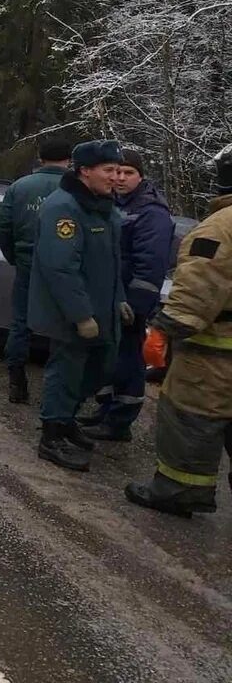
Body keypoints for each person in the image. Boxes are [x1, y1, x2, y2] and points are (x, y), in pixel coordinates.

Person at [126, 144, 232, 516]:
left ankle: (177, 491)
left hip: (213, 356)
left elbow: (199, 288)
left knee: (190, 418)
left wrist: (164, 329)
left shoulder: (221, 227)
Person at [28, 139, 127, 471]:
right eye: (108, 170)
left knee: (101, 367)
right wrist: (81, 315)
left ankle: (66, 419)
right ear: (85, 171)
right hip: (74, 314)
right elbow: (60, 268)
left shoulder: (104, 206)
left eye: (118, 170)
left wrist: (121, 300)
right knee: (67, 371)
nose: (116, 177)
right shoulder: (64, 207)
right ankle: (51, 435)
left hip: (103, 309)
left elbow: (110, 262)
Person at [80, 148, 173, 440]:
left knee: (128, 361)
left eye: (128, 172)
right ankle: (106, 409)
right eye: (116, 171)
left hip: (131, 302)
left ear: (140, 176)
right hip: (111, 298)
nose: (120, 178)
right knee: (110, 359)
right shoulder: (115, 204)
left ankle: (120, 421)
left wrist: (136, 305)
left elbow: (150, 265)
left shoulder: (151, 212)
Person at [0, 139, 73, 403]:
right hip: (65, 268)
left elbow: (3, 227)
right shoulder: (76, 189)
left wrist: (15, 256)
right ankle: (57, 390)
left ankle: (17, 382)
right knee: (63, 327)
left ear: (40, 158)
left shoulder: (20, 187)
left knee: (20, 324)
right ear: (69, 159)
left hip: (28, 264)